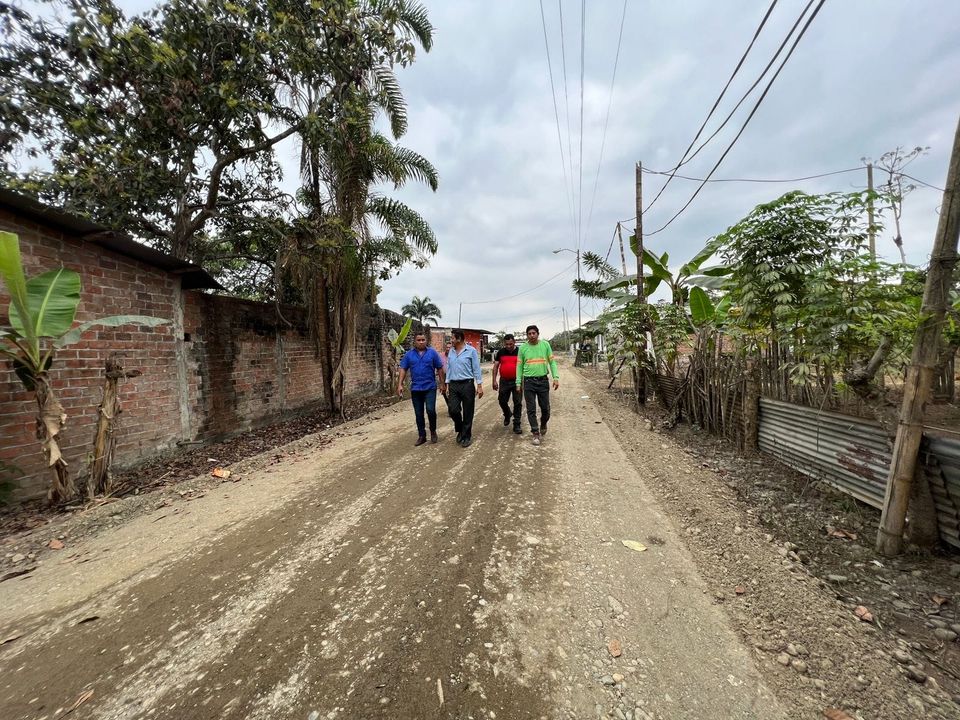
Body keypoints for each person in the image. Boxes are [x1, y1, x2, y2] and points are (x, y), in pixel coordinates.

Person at [397, 332, 445, 446]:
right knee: (418, 413)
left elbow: (439, 368)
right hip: (416, 388)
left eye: (423, 340)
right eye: (419, 340)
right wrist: (400, 384)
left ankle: (433, 431)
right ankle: (422, 436)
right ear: (415, 341)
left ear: (426, 341)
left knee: (430, 410)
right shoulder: (409, 355)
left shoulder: (432, 353)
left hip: (430, 387)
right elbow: (403, 368)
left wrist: (442, 383)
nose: (421, 342)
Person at [517, 324, 559, 446]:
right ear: (527, 335)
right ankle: (535, 432)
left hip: (543, 381)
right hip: (528, 382)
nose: (531, 335)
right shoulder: (523, 348)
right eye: (529, 334)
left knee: (545, 408)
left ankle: (543, 423)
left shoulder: (545, 345)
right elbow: (519, 366)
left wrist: (556, 377)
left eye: (533, 333)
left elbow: (552, 362)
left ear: (538, 334)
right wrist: (518, 382)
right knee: (531, 409)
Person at [445, 328, 483, 447]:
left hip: (467, 384)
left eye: (452, 338)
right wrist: (447, 384)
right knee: (453, 410)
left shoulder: (471, 351)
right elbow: (449, 368)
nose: (451, 340)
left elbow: (476, 369)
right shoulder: (451, 351)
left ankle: (466, 435)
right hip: (454, 384)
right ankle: (460, 429)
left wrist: (479, 385)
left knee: (468, 411)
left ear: (459, 339)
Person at [492, 334, 522, 434]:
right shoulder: (500, 352)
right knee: (502, 401)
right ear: (504, 343)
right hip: (504, 381)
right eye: (506, 344)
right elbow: (495, 367)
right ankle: (507, 413)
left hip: (517, 381)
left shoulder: (520, 352)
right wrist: (494, 380)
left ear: (514, 342)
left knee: (517, 402)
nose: (508, 346)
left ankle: (517, 424)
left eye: (510, 344)